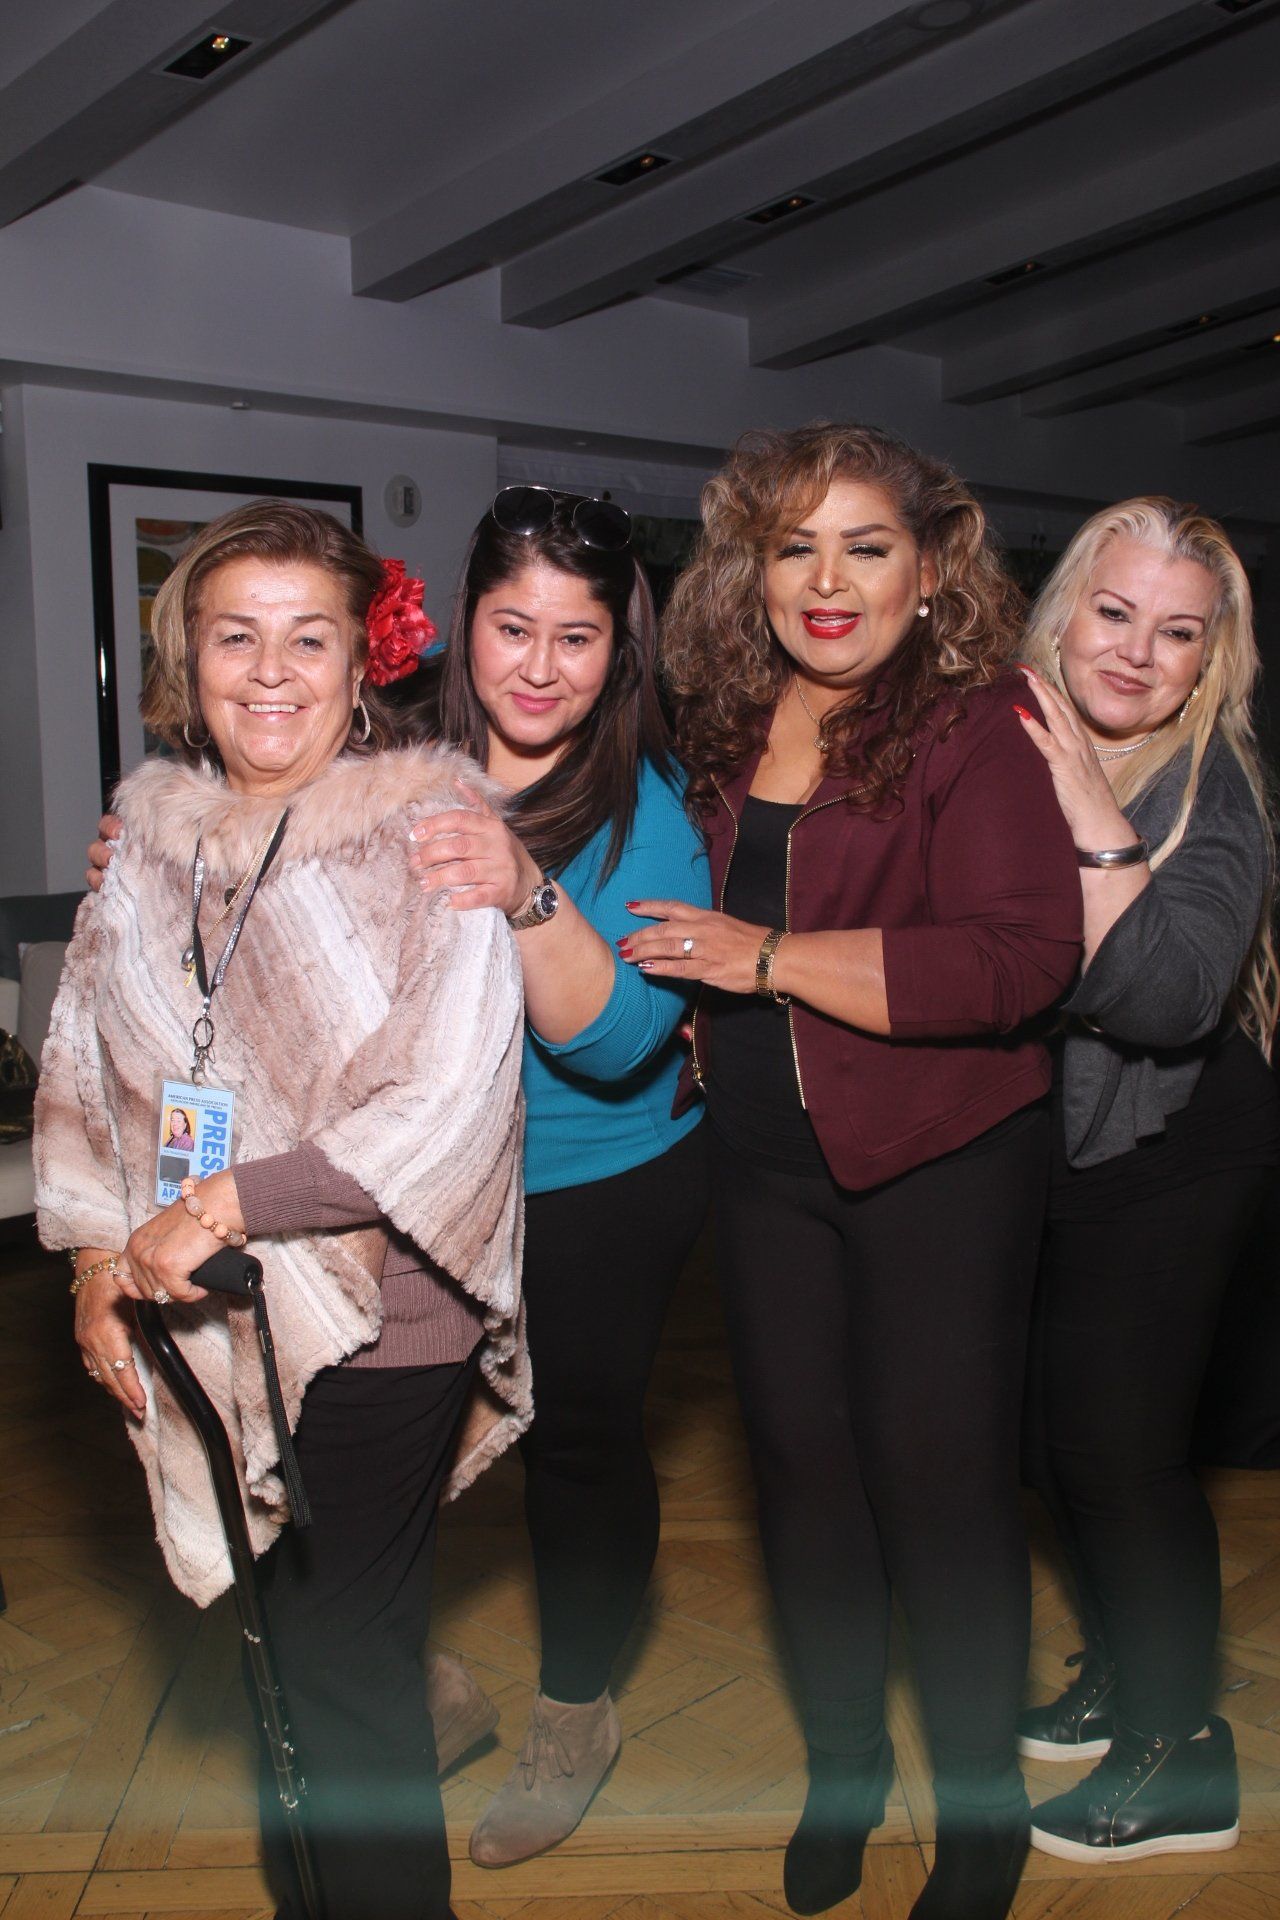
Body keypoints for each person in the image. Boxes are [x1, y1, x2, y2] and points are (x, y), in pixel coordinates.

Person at [88, 484, 711, 1866]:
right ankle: (402, 1681)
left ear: (620, 653)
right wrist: (170, 860)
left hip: (585, 1181)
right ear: (455, 628)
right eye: (511, 627)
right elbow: (261, 875)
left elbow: (620, 1045)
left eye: (577, 636)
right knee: (374, 1490)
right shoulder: (381, 744)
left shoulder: (643, 809)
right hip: (369, 1196)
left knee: (576, 1452)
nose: (539, 666)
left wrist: (522, 885)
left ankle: (574, 1714)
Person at [41, 501, 528, 1920]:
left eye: (308, 639)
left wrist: (230, 1201)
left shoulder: (430, 835)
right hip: (200, 1305)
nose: (269, 672)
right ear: (185, 660)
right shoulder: (148, 845)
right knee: (277, 1659)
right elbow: (86, 1057)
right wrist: (93, 1256)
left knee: (345, 1671)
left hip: (384, 1315)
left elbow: (450, 1093)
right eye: (233, 637)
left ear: (361, 661)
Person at [623, 424, 1082, 1920]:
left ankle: (984, 1812)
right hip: (763, 1168)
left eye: (865, 548)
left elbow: (1021, 962)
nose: (827, 583)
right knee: (804, 1485)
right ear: (752, 571)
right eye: (794, 548)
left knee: (940, 1494)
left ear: (928, 568)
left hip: (942, 1162)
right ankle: (844, 1768)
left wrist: (767, 959)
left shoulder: (976, 725)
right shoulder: (722, 720)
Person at [1014, 498, 1280, 1864]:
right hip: (1058, 1138)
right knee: (1058, 1440)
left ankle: (1185, 1753)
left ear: (1209, 658)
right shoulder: (1009, 735)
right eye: (1114, 613)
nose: (1133, 651)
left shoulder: (1211, 788)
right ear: (1065, 611)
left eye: (1176, 633)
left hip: (1177, 1143)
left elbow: (1168, 1000)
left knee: (1124, 1453)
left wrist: (1082, 802)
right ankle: (1126, 1674)